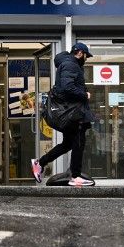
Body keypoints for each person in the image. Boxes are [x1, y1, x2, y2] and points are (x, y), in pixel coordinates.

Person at [31, 42, 96, 186]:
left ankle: (40, 163)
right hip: (74, 113)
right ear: (79, 53)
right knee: (78, 143)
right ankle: (76, 176)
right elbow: (67, 88)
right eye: (86, 56)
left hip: (71, 112)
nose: (86, 59)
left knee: (68, 144)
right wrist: (84, 94)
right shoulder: (71, 65)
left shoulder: (68, 64)